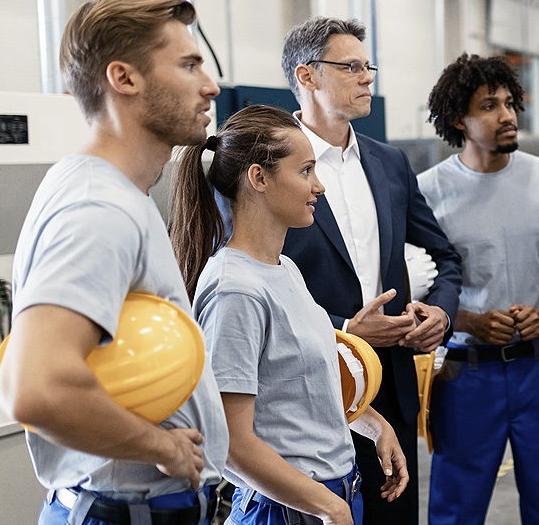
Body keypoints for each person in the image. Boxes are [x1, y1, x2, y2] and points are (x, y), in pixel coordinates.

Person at [0, 0, 229, 525]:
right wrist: (163, 449)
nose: (210, 85)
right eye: (189, 65)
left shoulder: (117, 193)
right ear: (123, 78)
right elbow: (37, 387)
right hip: (122, 512)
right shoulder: (99, 206)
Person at [168, 104, 410, 525]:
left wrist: (373, 424)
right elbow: (230, 442)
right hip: (286, 510)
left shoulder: (286, 269)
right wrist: (328, 506)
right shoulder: (236, 289)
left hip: (328, 496)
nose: (319, 186)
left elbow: (302, 386)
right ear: (259, 178)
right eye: (305, 171)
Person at [278, 16, 462, 525]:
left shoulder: (388, 163)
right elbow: (250, 277)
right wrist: (342, 332)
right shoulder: (267, 166)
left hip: (394, 387)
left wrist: (440, 314)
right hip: (309, 393)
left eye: (368, 66)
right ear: (307, 76)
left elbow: (445, 257)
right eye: (351, 66)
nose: (367, 77)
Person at [417, 54, 539, 525]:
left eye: (509, 102)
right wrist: (468, 320)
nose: (507, 115)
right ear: (458, 120)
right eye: (489, 106)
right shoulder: (428, 192)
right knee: (456, 511)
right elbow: (420, 290)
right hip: (465, 375)